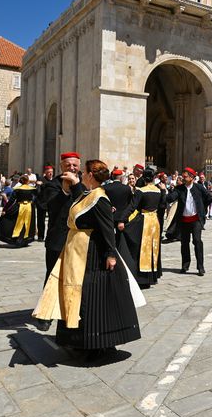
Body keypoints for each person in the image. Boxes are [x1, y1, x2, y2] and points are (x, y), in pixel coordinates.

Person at [32, 160, 143, 362]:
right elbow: (79, 202)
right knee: (78, 295)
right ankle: (78, 341)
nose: (81, 174)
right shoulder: (88, 194)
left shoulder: (100, 198)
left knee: (91, 298)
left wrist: (110, 254)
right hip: (78, 252)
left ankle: (97, 345)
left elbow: (107, 227)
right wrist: (74, 185)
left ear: (91, 174)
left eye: (83, 172)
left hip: (92, 254)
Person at [38, 152, 85, 295]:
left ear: (79, 166)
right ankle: (45, 314)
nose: (71, 168)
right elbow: (47, 206)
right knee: (53, 276)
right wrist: (64, 190)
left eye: (74, 165)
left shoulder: (86, 183)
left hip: (80, 240)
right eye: (68, 165)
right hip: (58, 239)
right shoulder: (52, 185)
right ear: (61, 166)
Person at [166, 167, 212, 276]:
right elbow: (171, 198)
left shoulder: (199, 187)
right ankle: (185, 265)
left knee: (197, 241)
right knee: (184, 243)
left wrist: (202, 209)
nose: (183, 178)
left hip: (196, 220)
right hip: (184, 220)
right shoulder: (179, 189)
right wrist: (164, 192)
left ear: (191, 177)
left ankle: (200, 267)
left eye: (185, 176)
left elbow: (209, 198)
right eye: (182, 176)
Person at [128, 166, 165, 287]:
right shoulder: (159, 191)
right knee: (153, 248)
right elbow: (162, 205)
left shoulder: (141, 191)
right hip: (155, 220)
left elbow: (133, 206)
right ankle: (153, 275)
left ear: (144, 178)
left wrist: (122, 218)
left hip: (144, 220)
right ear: (153, 178)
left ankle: (143, 277)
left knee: (142, 248)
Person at [0, 175, 37, 247]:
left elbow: (11, 200)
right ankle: (25, 240)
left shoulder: (17, 189)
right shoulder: (32, 189)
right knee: (27, 224)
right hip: (29, 208)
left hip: (19, 207)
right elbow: (36, 198)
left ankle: (18, 239)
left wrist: (5, 209)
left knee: (17, 223)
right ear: (28, 181)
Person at [36, 165, 54, 241]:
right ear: (45, 173)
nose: (50, 174)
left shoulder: (54, 181)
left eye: (51, 172)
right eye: (48, 172)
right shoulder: (42, 179)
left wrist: (43, 184)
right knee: (41, 221)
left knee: (52, 221)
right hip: (42, 203)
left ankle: (50, 236)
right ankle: (40, 236)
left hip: (52, 203)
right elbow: (37, 190)